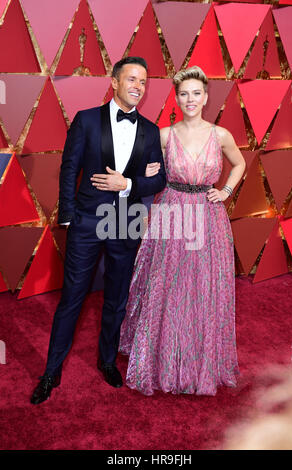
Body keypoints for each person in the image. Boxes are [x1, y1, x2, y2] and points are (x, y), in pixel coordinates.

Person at [30, 57, 166, 405]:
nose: (138, 86)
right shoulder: (87, 120)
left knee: (116, 299)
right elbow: (69, 167)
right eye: (132, 79)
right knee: (72, 297)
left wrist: (128, 183)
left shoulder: (150, 130)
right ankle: (51, 371)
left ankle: (107, 361)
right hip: (87, 221)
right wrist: (69, 217)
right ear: (115, 82)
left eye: (144, 82)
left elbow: (159, 178)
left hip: (127, 222)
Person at [119, 66, 246, 396]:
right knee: (169, 286)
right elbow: (150, 172)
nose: (190, 99)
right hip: (172, 212)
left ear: (205, 98)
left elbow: (240, 163)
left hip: (208, 215)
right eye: (184, 94)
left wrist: (227, 191)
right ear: (176, 98)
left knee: (202, 287)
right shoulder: (163, 135)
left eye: (196, 94)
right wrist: (146, 170)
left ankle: (196, 361)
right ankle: (164, 357)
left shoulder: (220, 135)